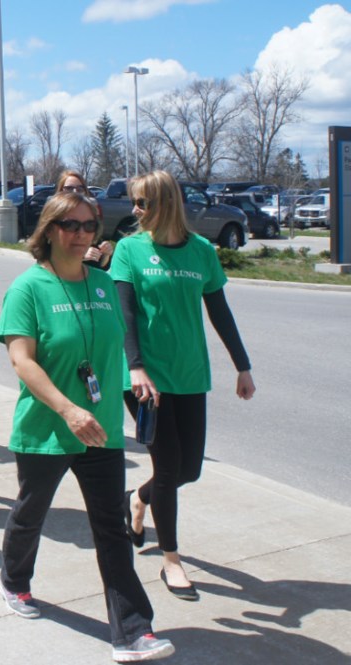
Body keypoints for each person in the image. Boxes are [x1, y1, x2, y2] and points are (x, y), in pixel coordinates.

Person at [0, 191, 176, 663]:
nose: (81, 235)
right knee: (30, 513)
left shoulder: (102, 284)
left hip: (102, 428)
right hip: (48, 427)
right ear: (49, 231)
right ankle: (14, 581)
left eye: (89, 226)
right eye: (70, 226)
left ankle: (134, 631)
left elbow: (117, 344)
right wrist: (67, 410)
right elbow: (22, 361)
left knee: (112, 529)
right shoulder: (28, 288)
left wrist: (137, 374)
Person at [111, 171, 255, 600]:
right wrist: (135, 367)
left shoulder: (201, 253)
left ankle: (137, 498)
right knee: (170, 469)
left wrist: (242, 366)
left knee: (188, 469)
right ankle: (172, 560)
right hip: (144, 377)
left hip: (190, 374)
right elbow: (126, 315)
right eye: (134, 202)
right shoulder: (129, 249)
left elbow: (220, 313)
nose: (134, 211)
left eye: (142, 203)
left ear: (165, 203)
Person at [55, 169, 115, 269]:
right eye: (69, 188)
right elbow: (46, 257)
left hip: (90, 281)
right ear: (60, 191)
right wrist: (81, 255)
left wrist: (106, 254)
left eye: (80, 189)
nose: (75, 192)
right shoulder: (54, 219)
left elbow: (102, 266)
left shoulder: (91, 218)